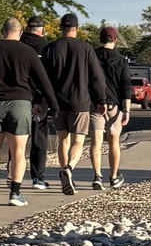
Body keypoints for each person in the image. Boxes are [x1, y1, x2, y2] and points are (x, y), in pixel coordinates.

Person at [0, 18, 58, 207]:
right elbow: (43, 80)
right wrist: (52, 103)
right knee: (18, 150)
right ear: (20, 33)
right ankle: (15, 194)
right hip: (21, 103)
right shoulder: (28, 51)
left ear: (2, 31)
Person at [42, 13, 107, 195]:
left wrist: (42, 100)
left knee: (63, 139)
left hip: (57, 102)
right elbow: (96, 77)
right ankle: (69, 168)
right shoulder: (85, 48)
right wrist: (101, 99)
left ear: (60, 28)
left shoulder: (50, 49)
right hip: (80, 102)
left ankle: (64, 173)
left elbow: (43, 76)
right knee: (78, 140)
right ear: (77, 29)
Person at [89, 26, 132, 190]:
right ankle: (113, 177)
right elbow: (126, 86)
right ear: (115, 40)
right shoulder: (121, 60)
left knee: (96, 141)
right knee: (114, 141)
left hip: (95, 104)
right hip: (114, 106)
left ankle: (97, 176)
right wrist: (127, 110)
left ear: (100, 39)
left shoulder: (91, 56)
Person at [20, 16, 51, 189]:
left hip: (18, 96)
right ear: (42, 30)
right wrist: (47, 100)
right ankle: (37, 177)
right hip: (39, 99)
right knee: (39, 139)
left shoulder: (17, 44)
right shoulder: (46, 48)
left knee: (17, 139)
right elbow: (48, 77)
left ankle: (12, 175)